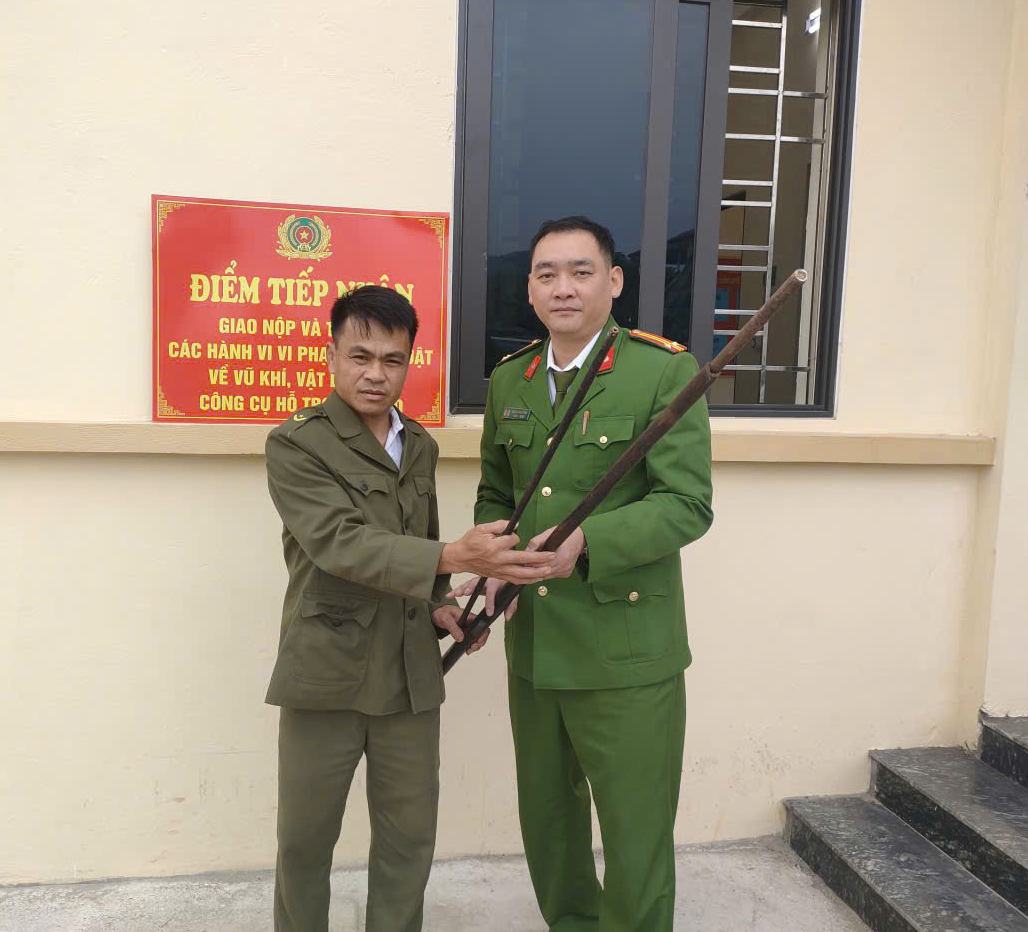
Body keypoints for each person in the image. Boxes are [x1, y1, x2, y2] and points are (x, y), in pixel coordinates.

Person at [263, 285, 555, 932]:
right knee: (304, 843)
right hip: (328, 671)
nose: (376, 373)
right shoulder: (296, 444)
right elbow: (339, 544)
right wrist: (455, 556)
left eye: (392, 359)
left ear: (408, 363)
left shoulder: (418, 443)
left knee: (408, 842)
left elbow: (420, 541)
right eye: (360, 356)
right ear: (332, 355)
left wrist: (441, 604)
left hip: (409, 676)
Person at [457, 216, 713, 931]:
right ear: (530, 289)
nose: (562, 288)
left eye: (580, 271)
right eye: (547, 274)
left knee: (635, 829)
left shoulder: (662, 371)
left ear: (614, 281)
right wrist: (494, 562)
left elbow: (687, 505)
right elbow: (497, 492)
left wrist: (587, 541)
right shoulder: (511, 379)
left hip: (625, 646)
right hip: (536, 642)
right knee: (549, 822)